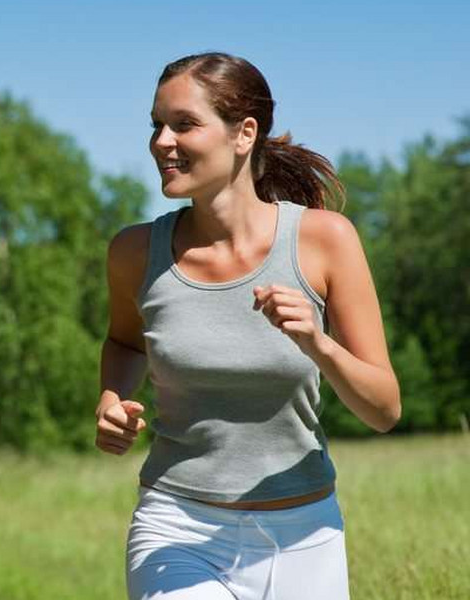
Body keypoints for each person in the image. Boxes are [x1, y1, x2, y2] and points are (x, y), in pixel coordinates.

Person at [95, 52, 400, 600]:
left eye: (183, 124)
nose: (161, 141)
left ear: (244, 134)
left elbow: (383, 410)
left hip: (305, 535)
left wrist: (318, 343)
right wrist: (111, 398)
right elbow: (123, 341)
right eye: (156, 125)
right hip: (177, 528)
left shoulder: (325, 241)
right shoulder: (135, 252)